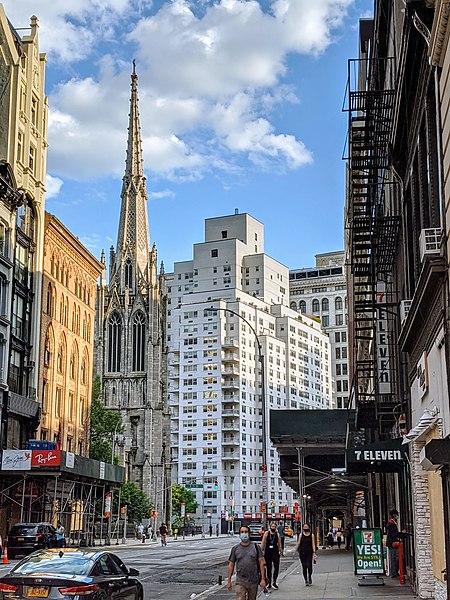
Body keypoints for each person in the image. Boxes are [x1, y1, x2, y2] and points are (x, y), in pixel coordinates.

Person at [228, 525, 266, 600]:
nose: (244, 534)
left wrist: (263, 579)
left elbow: (261, 563)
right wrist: (229, 580)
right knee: (240, 598)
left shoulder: (256, 547)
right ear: (239, 534)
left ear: (249, 534)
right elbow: (231, 564)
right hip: (240, 580)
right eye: (242, 532)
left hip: (253, 580)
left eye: (246, 532)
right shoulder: (235, 549)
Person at [386, 509, 407, 578]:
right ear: (394, 515)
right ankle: (393, 572)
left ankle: (394, 572)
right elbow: (395, 534)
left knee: (394, 557)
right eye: (396, 514)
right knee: (394, 558)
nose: (397, 516)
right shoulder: (391, 524)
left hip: (392, 543)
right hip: (393, 543)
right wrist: (403, 534)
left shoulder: (392, 523)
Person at [261, 522, 282, 590]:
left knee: (276, 566)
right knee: (268, 568)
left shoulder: (277, 534)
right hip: (268, 552)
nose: (273, 528)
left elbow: (279, 544)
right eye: (272, 526)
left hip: (275, 552)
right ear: (270, 527)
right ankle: (269, 582)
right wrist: (261, 552)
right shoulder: (266, 534)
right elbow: (263, 543)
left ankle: (274, 582)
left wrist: (280, 551)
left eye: (274, 526)